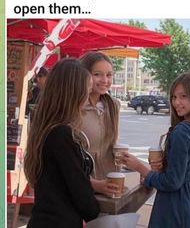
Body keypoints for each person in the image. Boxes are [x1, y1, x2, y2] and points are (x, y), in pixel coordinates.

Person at [122, 72, 190, 228]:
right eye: (174, 97)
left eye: (183, 96)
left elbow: (172, 182)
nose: (176, 102)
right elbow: (185, 170)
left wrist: (139, 167)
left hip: (176, 206)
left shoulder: (182, 131)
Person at [24, 58, 100, 228]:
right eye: (86, 94)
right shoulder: (62, 135)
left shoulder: (46, 128)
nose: (87, 101)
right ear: (73, 94)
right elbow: (83, 197)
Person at [78, 51, 120, 195]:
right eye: (97, 74)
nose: (104, 80)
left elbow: (113, 145)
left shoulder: (113, 105)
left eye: (109, 75)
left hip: (109, 181)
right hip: (81, 182)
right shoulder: (74, 106)